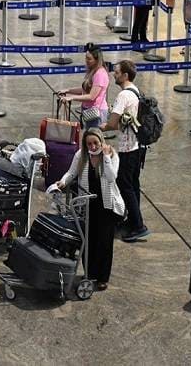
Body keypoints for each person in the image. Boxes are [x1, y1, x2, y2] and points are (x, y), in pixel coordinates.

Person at [47, 128, 125, 290]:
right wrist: (63, 182)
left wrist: (106, 157)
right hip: (88, 205)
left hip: (107, 206)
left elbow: (111, 177)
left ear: (101, 141)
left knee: (104, 243)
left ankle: (103, 277)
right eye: (89, 143)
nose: (93, 146)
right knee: (88, 241)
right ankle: (90, 273)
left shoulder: (111, 155)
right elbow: (71, 172)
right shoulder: (81, 155)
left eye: (96, 143)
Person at [99, 60, 150, 243]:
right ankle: (133, 221)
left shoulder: (123, 96)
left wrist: (98, 128)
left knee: (125, 185)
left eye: (117, 72)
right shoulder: (136, 91)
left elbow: (112, 123)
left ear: (125, 75)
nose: (114, 74)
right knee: (132, 185)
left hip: (128, 148)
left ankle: (138, 225)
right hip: (137, 147)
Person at [56, 44, 110, 126]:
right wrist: (68, 91)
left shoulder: (100, 74)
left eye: (89, 59)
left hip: (96, 113)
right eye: (86, 58)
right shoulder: (92, 71)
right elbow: (85, 89)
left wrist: (72, 97)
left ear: (96, 60)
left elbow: (91, 96)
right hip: (89, 111)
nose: (86, 61)